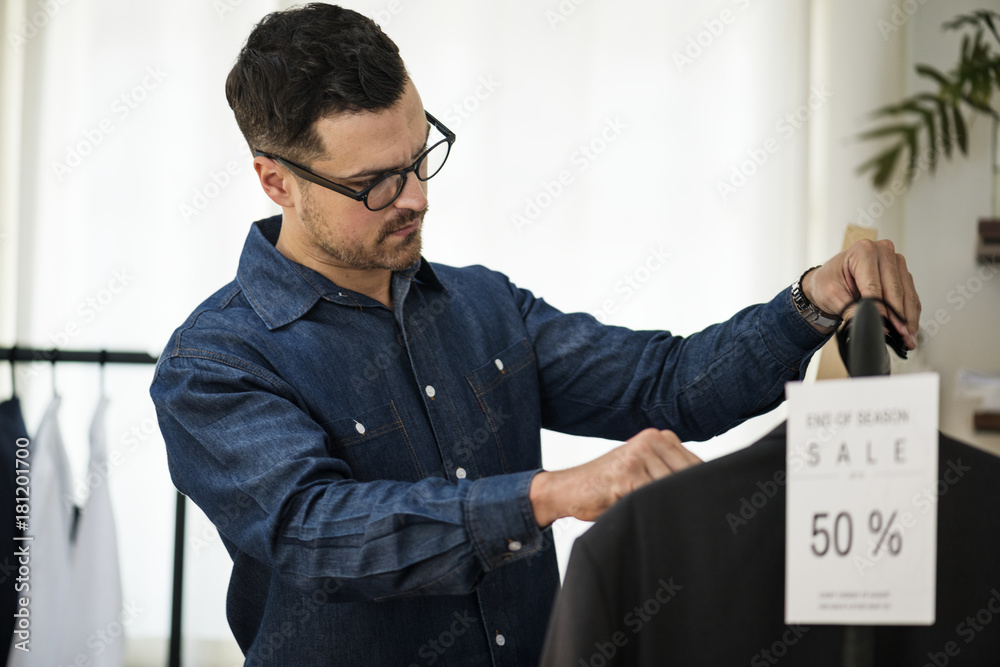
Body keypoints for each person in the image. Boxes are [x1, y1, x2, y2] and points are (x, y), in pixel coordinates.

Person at [149, 4, 921, 665]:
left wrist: (812, 301)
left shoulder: (485, 306)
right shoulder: (213, 364)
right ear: (274, 179)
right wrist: (548, 494)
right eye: (373, 183)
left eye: (420, 157)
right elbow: (319, 532)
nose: (414, 196)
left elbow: (668, 382)